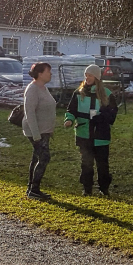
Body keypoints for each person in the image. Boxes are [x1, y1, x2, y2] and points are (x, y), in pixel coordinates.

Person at [64, 64, 118, 196]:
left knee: (102, 164)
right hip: (84, 134)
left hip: (101, 135)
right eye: (86, 75)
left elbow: (112, 114)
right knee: (86, 163)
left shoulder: (107, 94)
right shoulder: (78, 93)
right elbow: (71, 110)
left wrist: (101, 117)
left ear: (97, 77)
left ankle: (104, 188)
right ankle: (87, 188)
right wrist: (69, 119)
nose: (87, 78)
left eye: (90, 75)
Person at [23, 62, 56, 200]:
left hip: (44, 131)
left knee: (36, 157)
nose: (51, 73)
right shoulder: (33, 89)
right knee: (44, 157)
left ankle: (31, 188)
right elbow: (29, 112)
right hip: (36, 131)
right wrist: (36, 134)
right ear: (40, 73)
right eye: (48, 71)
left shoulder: (43, 88)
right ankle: (34, 190)